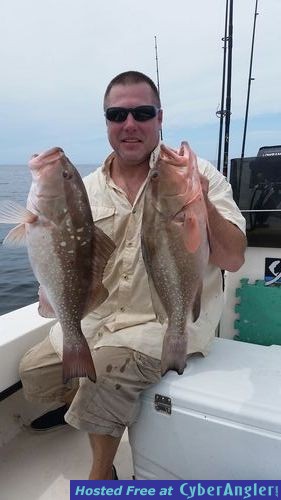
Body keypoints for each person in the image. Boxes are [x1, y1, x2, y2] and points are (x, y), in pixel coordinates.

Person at [19, 70, 247, 480]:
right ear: (106, 122)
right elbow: (64, 254)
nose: (130, 124)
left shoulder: (201, 176)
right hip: (101, 320)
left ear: (159, 118)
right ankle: (86, 407)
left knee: (102, 376)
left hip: (160, 325)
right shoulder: (84, 187)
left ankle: (101, 474)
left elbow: (233, 259)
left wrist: (199, 204)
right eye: (117, 114)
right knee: (32, 374)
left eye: (142, 113)